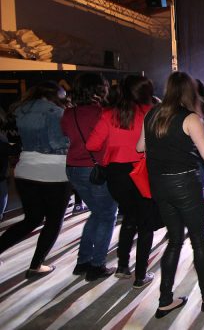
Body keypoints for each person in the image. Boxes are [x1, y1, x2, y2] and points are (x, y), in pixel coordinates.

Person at [138, 71, 204, 318]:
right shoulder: (190, 118)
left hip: (159, 185)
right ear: (189, 92)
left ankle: (166, 299)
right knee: (198, 238)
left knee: (175, 240)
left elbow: (139, 147)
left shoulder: (152, 114)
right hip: (185, 184)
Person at [86, 75, 156, 288]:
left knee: (129, 218)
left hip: (116, 174)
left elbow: (92, 144)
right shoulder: (151, 113)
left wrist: (115, 147)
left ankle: (123, 267)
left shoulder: (108, 114)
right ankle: (140, 276)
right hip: (142, 171)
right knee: (146, 223)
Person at [0, 82, 70, 279]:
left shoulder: (19, 111)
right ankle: (36, 265)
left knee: (31, 219)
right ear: (57, 95)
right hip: (54, 172)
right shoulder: (56, 112)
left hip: (25, 170)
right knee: (54, 221)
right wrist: (72, 141)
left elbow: (11, 138)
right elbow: (57, 143)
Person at [61, 73, 118, 282]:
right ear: (100, 89)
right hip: (96, 169)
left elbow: (66, 137)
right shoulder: (104, 112)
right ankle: (96, 265)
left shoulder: (69, 114)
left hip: (73, 168)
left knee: (97, 213)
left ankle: (83, 261)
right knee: (108, 215)